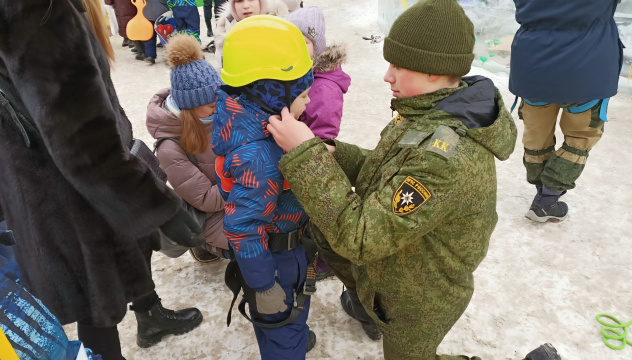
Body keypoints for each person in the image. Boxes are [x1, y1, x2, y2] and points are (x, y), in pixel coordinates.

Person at [266, 0, 537, 358]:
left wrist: (306, 156)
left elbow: (360, 238)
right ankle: (367, 306)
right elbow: (386, 171)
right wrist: (332, 152)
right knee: (330, 238)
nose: (387, 76)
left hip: (418, 299)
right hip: (393, 271)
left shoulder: (445, 155)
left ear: (434, 72)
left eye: (399, 66)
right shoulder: (426, 109)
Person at [0, 0, 206, 358]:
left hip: (46, 184)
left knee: (101, 287)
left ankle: (149, 313)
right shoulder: (36, 9)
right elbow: (78, 136)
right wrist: (156, 204)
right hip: (71, 192)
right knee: (95, 300)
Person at [212, 15, 316, 360]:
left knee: (281, 327)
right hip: (276, 261)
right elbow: (242, 226)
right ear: (273, 93)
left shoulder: (246, 120)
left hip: (278, 255)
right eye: (303, 93)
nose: (309, 103)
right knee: (283, 333)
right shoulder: (260, 155)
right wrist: (264, 285)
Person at [509, 0, 624, 223]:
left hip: (533, 67)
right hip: (587, 69)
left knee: (536, 135)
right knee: (580, 137)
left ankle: (541, 189)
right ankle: (547, 199)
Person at [146, 34, 229, 263]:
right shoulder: (170, 147)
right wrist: (249, 177)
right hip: (211, 214)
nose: (219, 108)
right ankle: (207, 245)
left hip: (238, 196)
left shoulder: (217, 116)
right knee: (257, 238)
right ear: (190, 107)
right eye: (212, 105)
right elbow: (205, 199)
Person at [286, 7, 351, 282]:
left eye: (305, 42)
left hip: (313, 158)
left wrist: (305, 152)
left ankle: (326, 259)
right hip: (300, 152)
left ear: (318, 45)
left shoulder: (323, 87)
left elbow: (324, 133)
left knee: (317, 211)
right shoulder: (302, 72)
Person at [214, 0, 290, 67]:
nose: (246, 6)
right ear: (233, 6)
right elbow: (220, 69)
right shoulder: (224, 33)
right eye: (239, 1)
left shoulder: (282, 28)